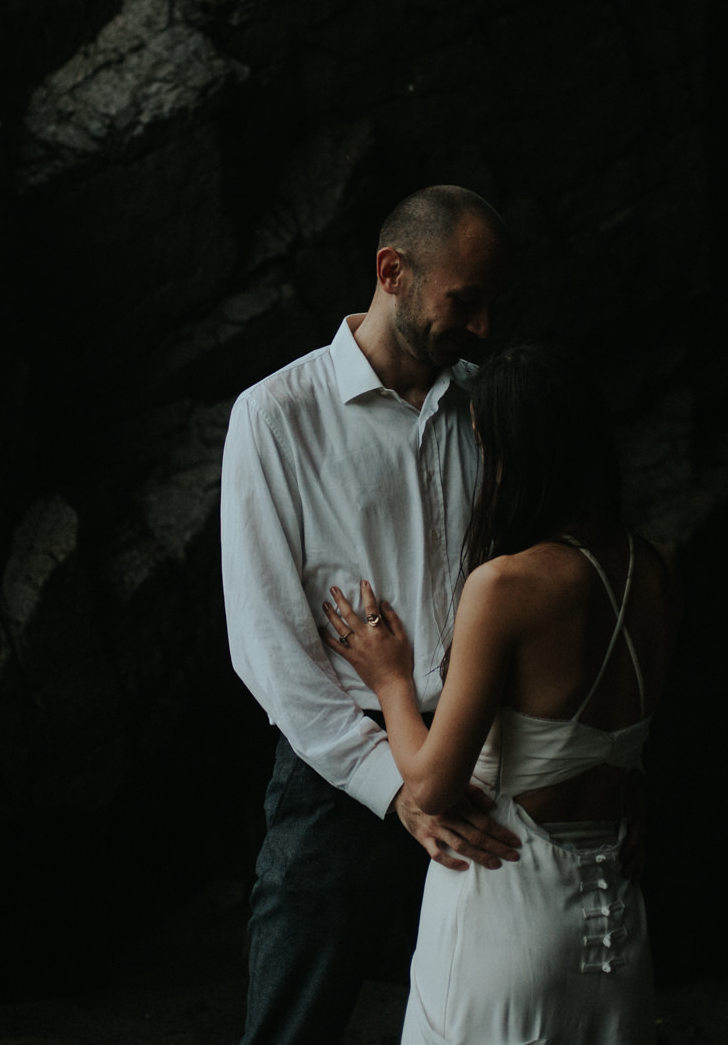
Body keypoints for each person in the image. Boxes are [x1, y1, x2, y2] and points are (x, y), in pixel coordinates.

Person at [222, 186, 523, 1045]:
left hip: (483, 760)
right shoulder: (275, 418)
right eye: (466, 302)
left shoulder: (487, 407)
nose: (485, 328)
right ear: (393, 272)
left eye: (493, 304)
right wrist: (397, 789)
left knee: (476, 1024)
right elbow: (268, 648)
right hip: (337, 780)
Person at [324, 343, 680, 1045]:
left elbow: (429, 785)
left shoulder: (507, 587)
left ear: (521, 453)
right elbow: (620, 750)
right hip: (617, 930)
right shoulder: (656, 572)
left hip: (504, 914)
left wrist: (392, 678)